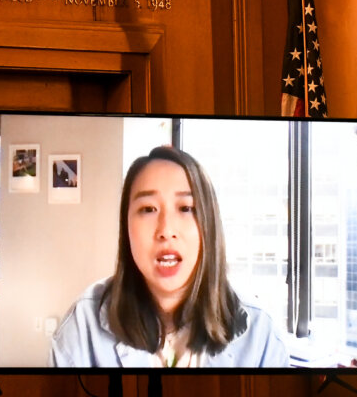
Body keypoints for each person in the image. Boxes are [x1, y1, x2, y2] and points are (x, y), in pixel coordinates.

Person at [49, 146, 290, 367]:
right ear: (126, 228)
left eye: (186, 208)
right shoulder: (82, 326)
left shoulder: (260, 335)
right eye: (148, 209)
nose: (166, 230)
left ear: (209, 226)